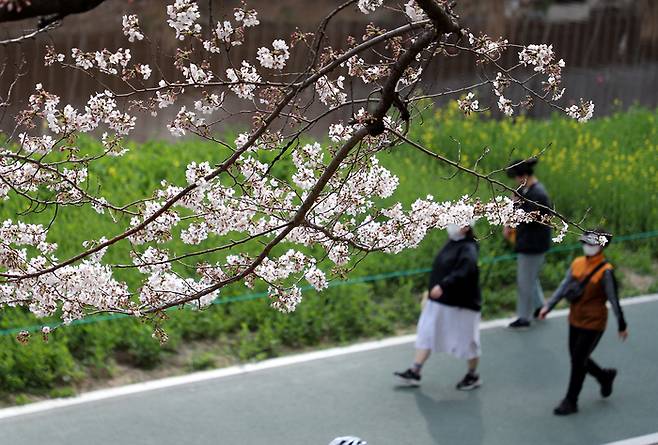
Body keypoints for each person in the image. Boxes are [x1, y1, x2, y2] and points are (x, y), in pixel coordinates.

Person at [538, 229, 629, 416]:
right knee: (578, 357)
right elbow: (564, 286)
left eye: (592, 244)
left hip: (594, 322)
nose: (587, 247)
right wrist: (548, 306)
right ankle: (604, 376)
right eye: (585, 243)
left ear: (601, 246)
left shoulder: (606, 271)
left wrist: (622, 324)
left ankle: (571, 400)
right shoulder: (577, 263)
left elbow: (613, 299)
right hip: (575, 318)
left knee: (578, 360)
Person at [394, 223, 482, 391]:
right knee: (426, 332)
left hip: (462, 303)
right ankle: (415, 370)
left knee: (468, 341)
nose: (451, 225)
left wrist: (443, 285)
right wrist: (431, 291)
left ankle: (472, 374)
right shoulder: (452, 242)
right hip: (440, 300)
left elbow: (465, 271)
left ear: (465, 227)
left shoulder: (468, 247)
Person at [504, 157, 553, 330]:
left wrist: (514, 206)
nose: (516, 182)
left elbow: (528, 218)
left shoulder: (537, 194)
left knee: (525, 281)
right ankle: (541, 307)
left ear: (523, 176)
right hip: (530, 243)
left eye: (517, 177)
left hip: (533, 245)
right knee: (531, 279)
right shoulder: (530, 191)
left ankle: (523, 317)